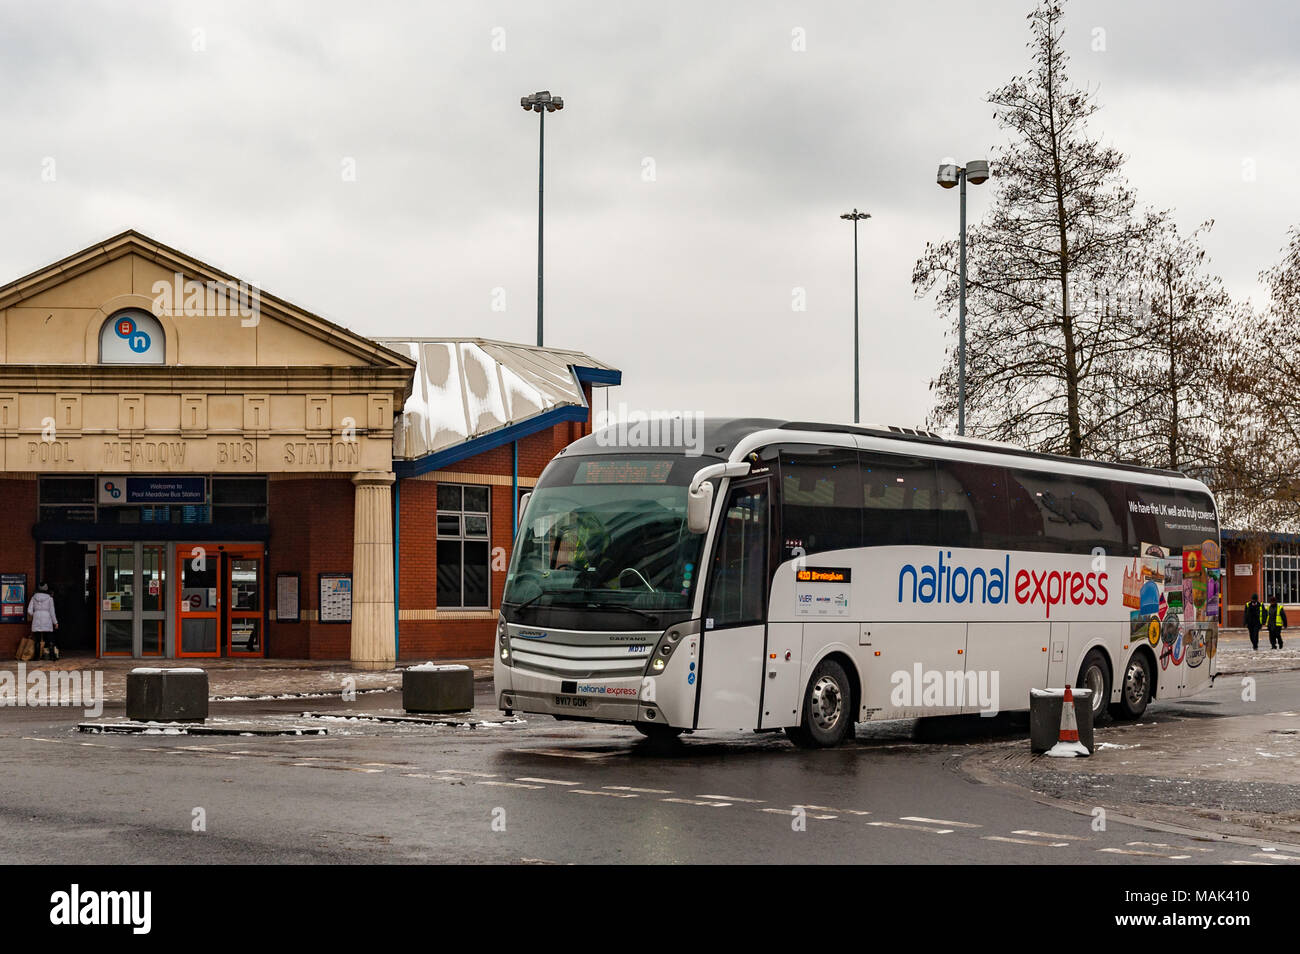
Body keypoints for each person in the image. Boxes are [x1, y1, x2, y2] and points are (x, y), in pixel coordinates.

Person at [27, 582, 59, 662]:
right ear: (46, 588)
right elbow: (52, 611)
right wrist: (55, 622)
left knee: (37, 639)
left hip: (37, 618)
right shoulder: (50, 598)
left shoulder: (34, 597)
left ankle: (36, 657)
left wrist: (35, 614)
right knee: (50, 637)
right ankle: (52, 656)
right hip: (47, 618)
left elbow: (29, 610)